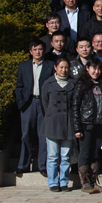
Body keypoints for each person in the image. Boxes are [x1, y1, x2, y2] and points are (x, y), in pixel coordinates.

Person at [15, 40, 54, 176]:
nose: (38, 52)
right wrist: (21, 101)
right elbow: (19, 85)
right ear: (30, 51)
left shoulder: (50, 65)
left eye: (40, 49)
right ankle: (23, 165)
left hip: (43, 103)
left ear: (44, 51)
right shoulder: (23, 66)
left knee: (43, 136)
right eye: (35, 49)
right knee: (26, 134)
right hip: (28, 103)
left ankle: (43, 166)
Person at [72, 58, 102, 194]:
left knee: (95, 154)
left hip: (100, 123)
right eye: (94, 68)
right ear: (87, 68)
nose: (96, 72)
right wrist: (77, 127)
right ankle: (85, 182)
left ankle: (93, 181)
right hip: (86, 123)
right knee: (85, 153)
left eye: (98, 69)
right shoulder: (81, 84)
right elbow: (75, 106)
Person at [40, 57, 75, 192]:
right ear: (55, 68)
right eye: (61, 67)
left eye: (66, 67)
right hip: (53, 122)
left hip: (68, 122)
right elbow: (45, 103)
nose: (64, 70)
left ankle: (64, 182)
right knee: (52, 156)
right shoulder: (48, 83)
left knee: (65, 156)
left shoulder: (73, 83)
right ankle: (53, 182)